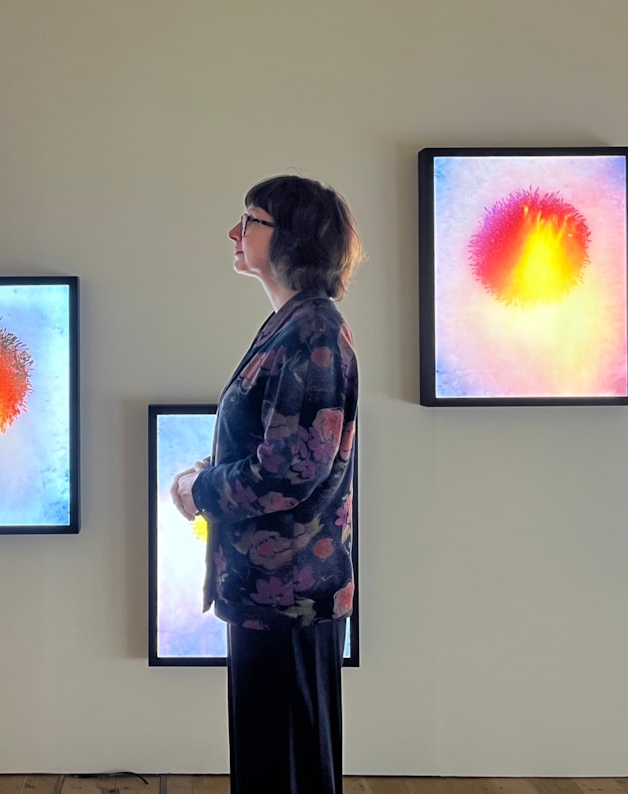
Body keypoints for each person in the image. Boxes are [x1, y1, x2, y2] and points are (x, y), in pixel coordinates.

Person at [171, 174, 362, 794]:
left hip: (289, 600)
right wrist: (206, 472)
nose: (235, 232)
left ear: (293, 239)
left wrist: (197, 493)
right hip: (269, 593)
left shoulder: (313, 332)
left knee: (285, 772)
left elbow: (290, 472)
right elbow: (272, 448)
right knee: (270, 766)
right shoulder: (292, 327)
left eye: (249, 219)